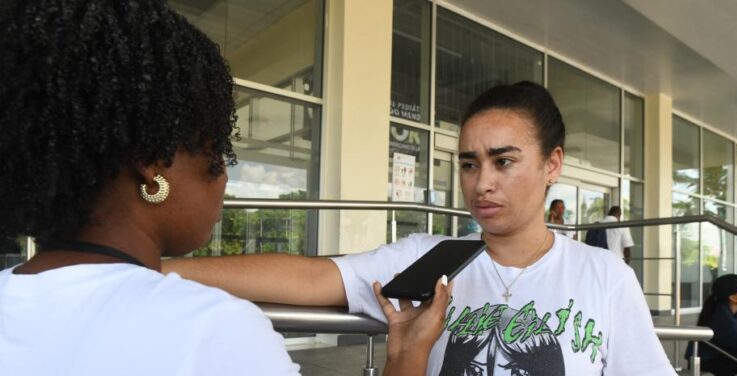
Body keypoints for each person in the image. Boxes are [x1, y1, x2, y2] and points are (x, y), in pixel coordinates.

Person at [0, 1, 446, 375]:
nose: (225, 179)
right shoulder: (213, 333)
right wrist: (407, 358)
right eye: (215, 155)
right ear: (153, 164)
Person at [164, 81, 675, 375]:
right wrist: (152, 266)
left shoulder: (604, 276)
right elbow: (313, 277)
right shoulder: (430, 260)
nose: (482, 183)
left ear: (552, 164)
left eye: (503, 161)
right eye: (469, 164)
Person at [687, 274, 737, 375]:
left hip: (723, 355)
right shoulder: (720, 315)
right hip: (707, 362)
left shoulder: (735, 312)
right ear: (733, 297)